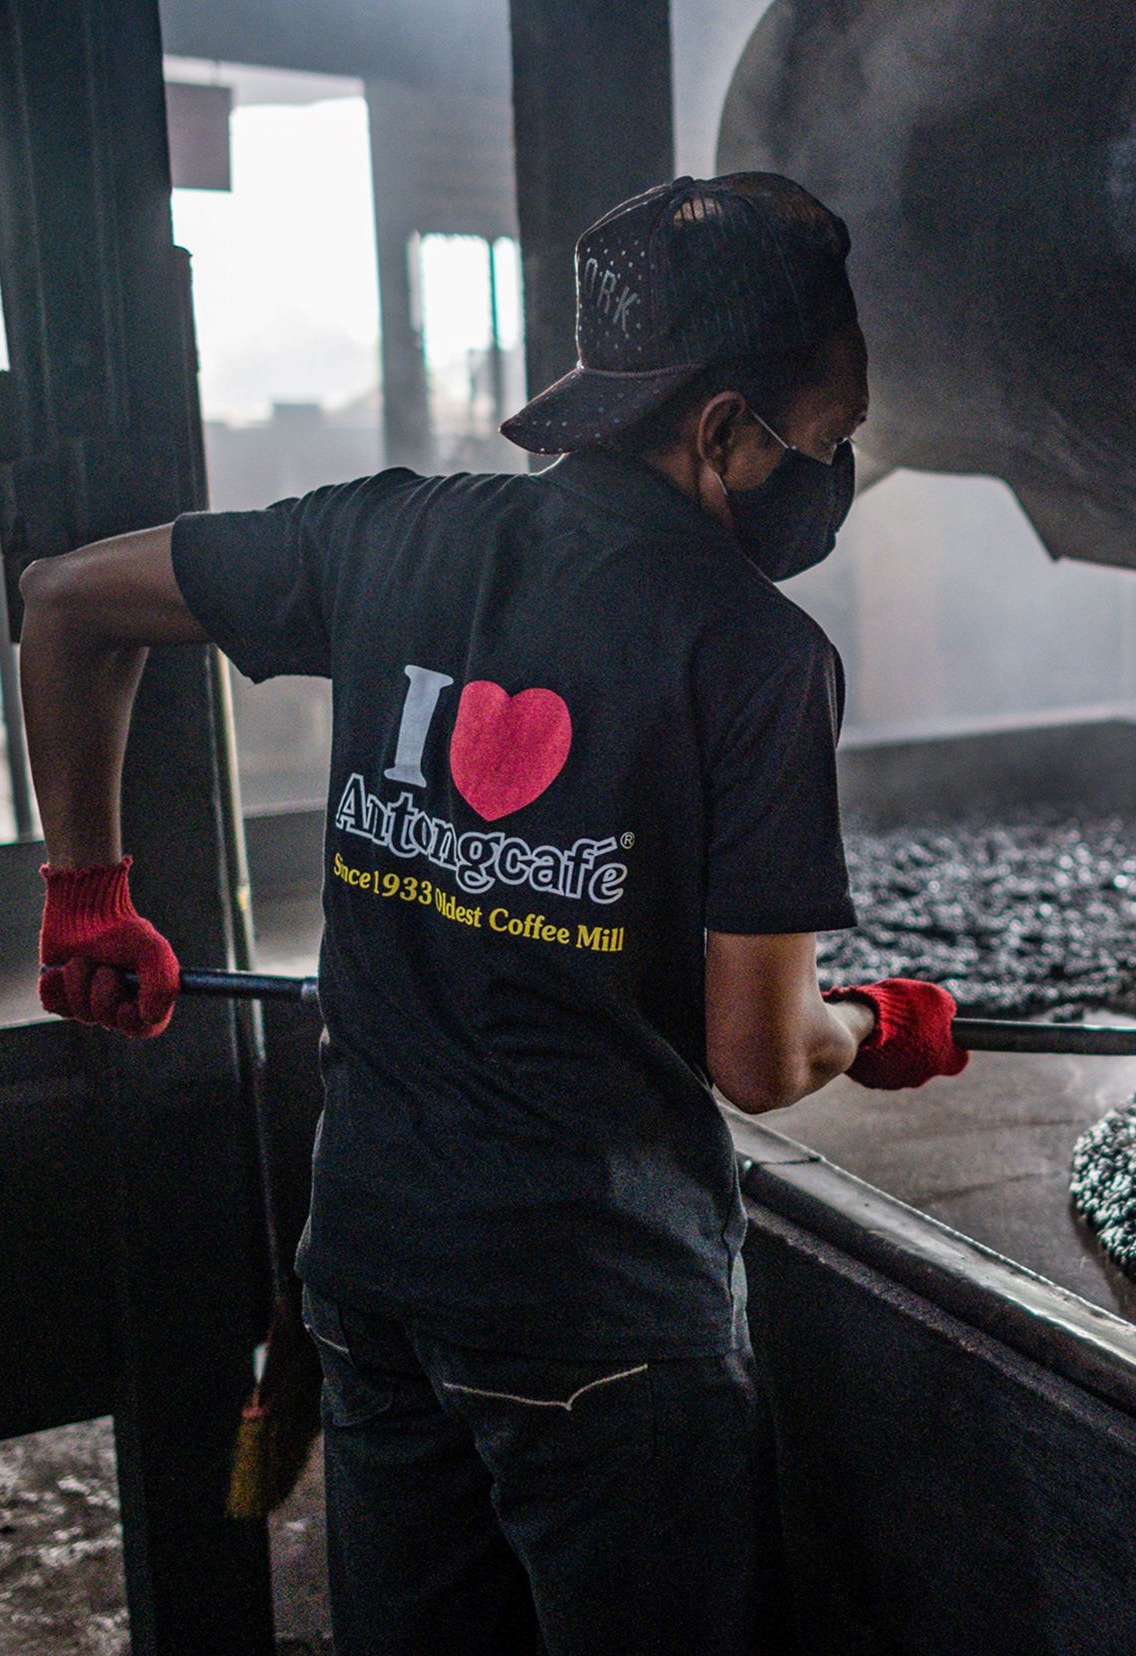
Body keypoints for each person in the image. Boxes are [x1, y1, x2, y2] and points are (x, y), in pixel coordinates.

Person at [19, 172, 967, 1654]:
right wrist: (877, 1025)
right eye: (826, 444)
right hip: (602, 1321)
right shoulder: (758, 656)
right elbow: (760, 1059)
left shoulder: (385, 538)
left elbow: (67, 601)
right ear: (721, 432)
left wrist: (85, 893)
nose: (830, 483)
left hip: (374, 1280)